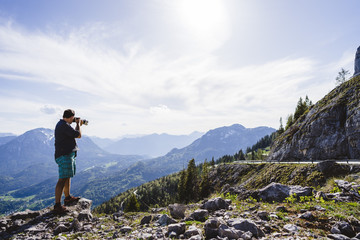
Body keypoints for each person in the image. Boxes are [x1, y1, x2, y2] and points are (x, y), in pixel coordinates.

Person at [53, 109, 82, 213]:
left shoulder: (63, 125)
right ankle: (57, 205)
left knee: (67, 176)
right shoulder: (64, 125)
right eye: (73, 118)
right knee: (62, 179)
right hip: (64, 155)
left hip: (66, 154)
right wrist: (78, 124)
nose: (73, 120)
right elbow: (78, 135)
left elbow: (73, 135)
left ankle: (68, 197)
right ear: (70, 117)